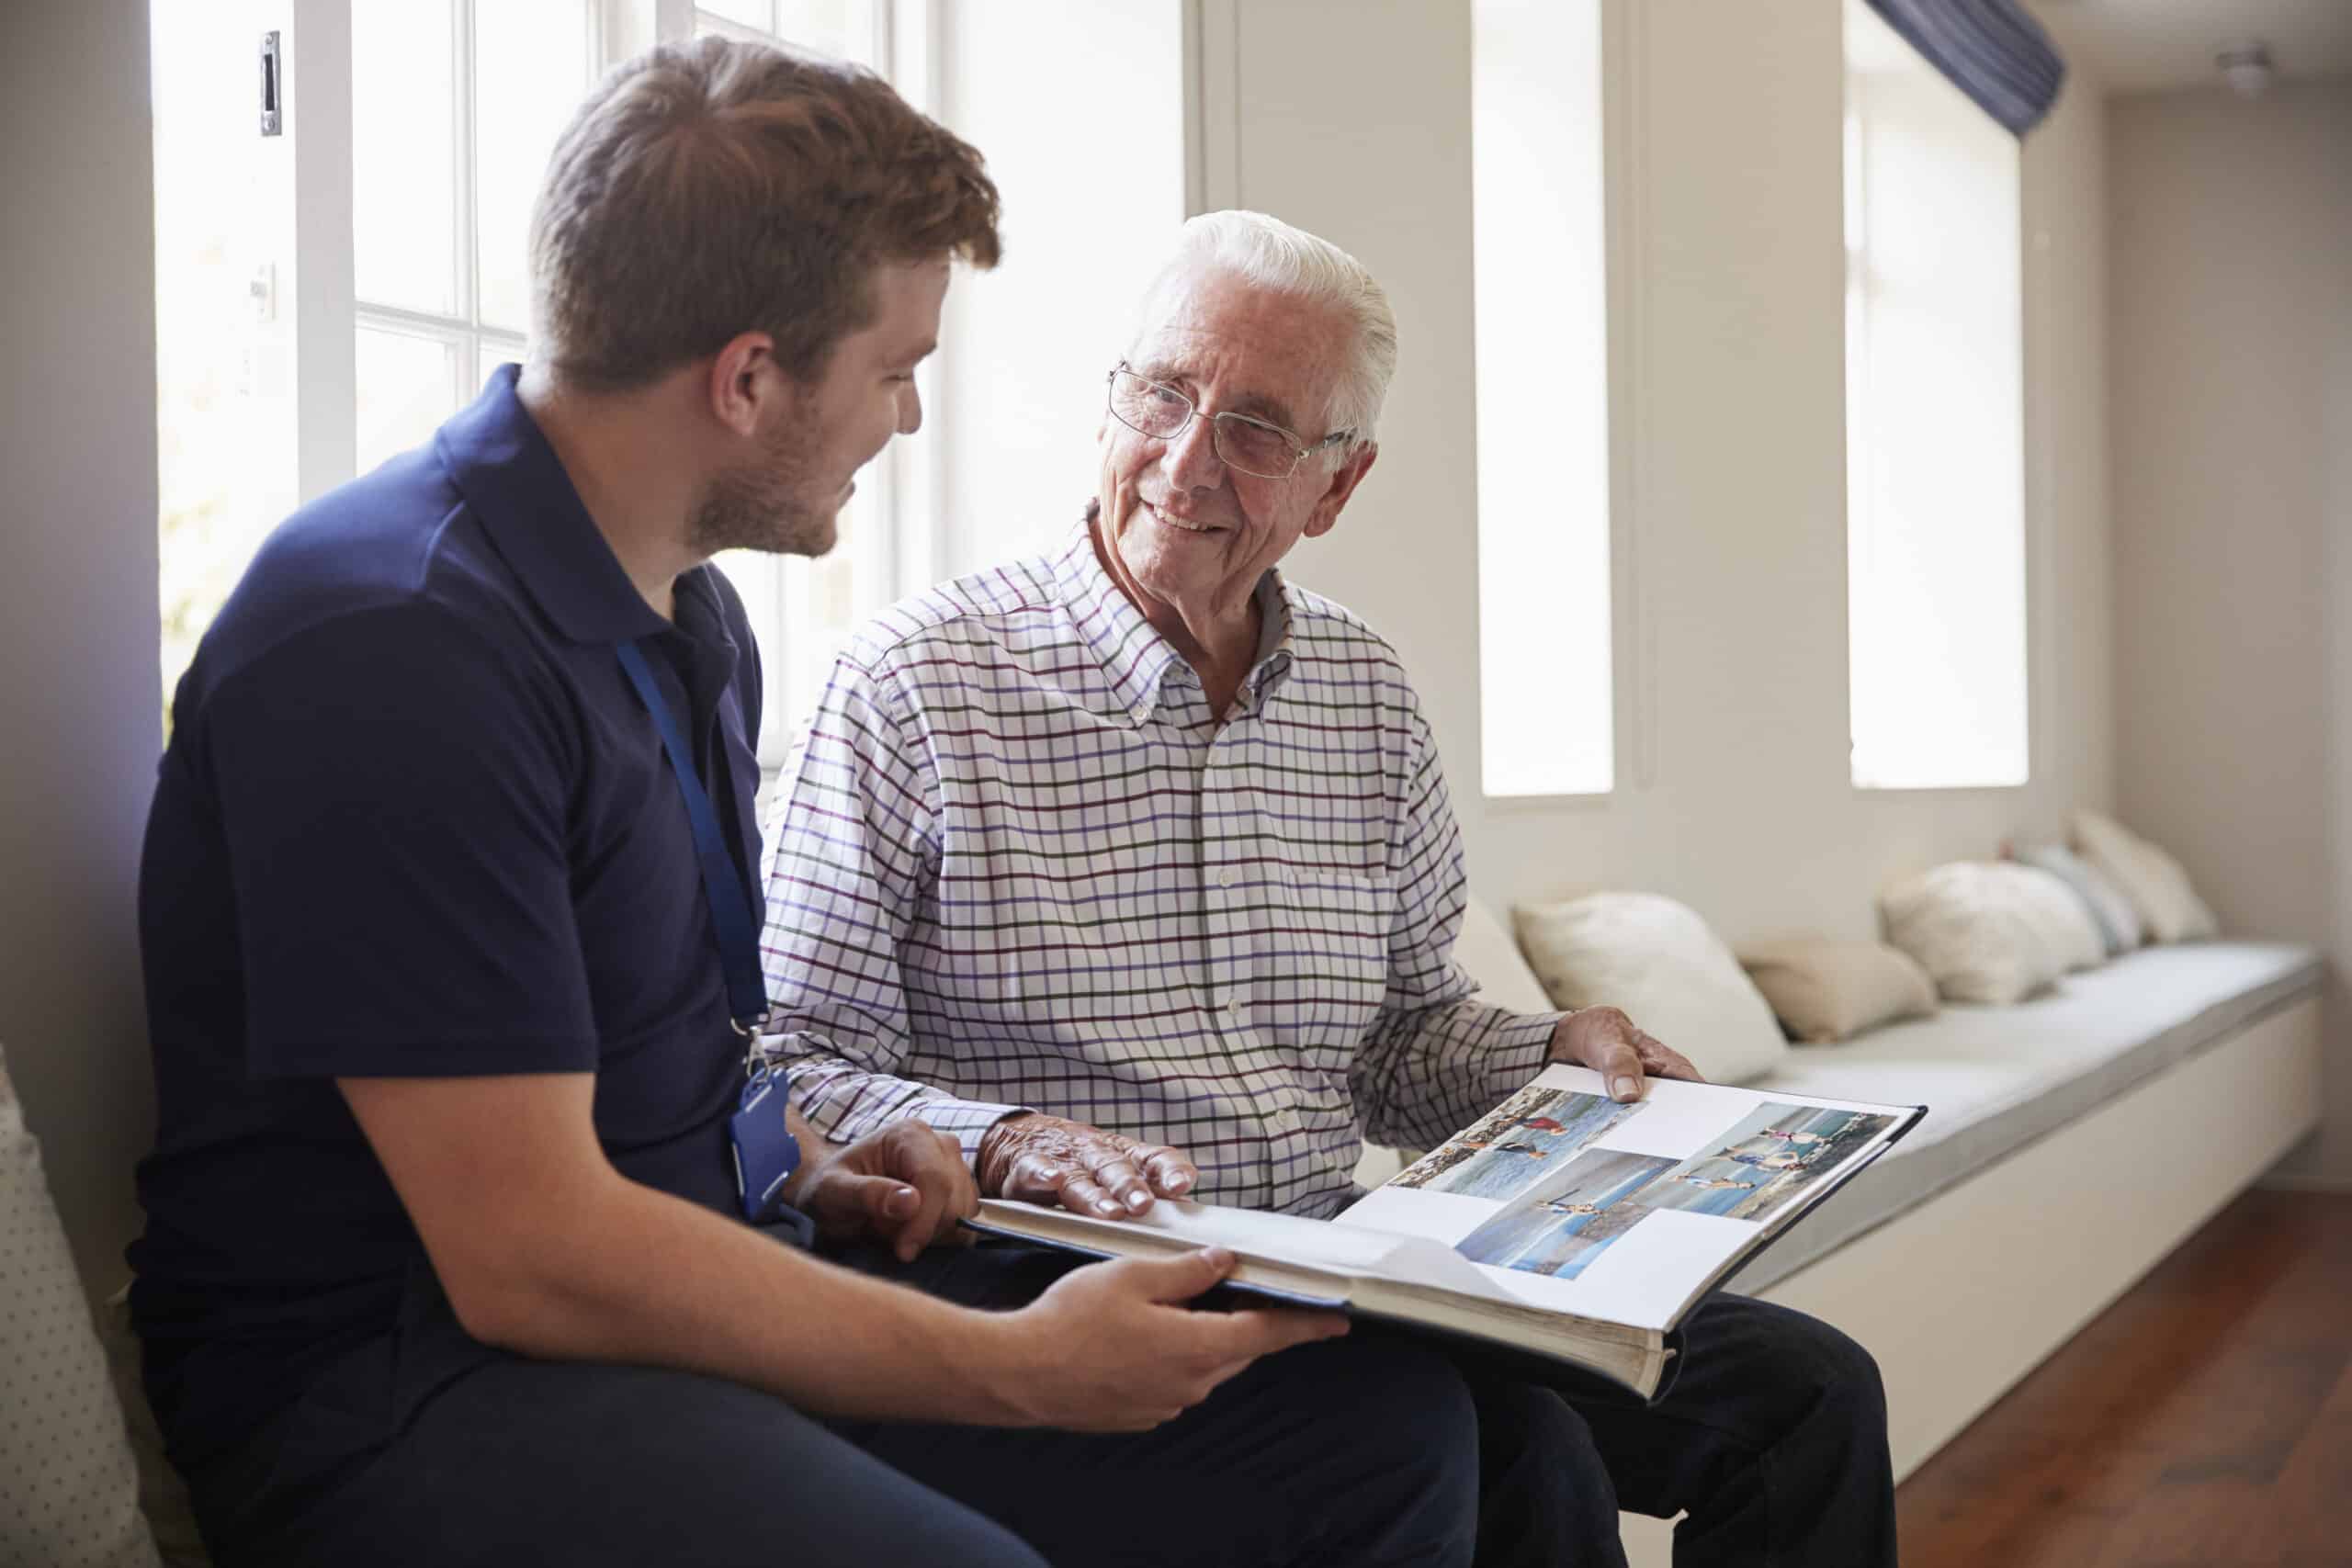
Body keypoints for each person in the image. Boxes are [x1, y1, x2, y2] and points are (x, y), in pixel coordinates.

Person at [129, 43, 1484, 1568]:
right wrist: (1019, 1373)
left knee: (1374, 1443)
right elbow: (528, 1260)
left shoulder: (687, 623)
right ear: (752, 377)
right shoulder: (392, 639)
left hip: (681, 1280)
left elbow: (695, 1054)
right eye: (897, 369)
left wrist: (809, 1165)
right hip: (403, 1379)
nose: (908, 420)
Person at [757, 209, 1899, 1566]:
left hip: (1350, 1258)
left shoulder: (1365, 697)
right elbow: (795, 1064)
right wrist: (1009, 1137)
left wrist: (1556, 1050)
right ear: (1111, 399)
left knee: (1808, 1397)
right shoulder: (913, 684)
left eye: (1255, 428)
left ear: (1336, 489)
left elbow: (1404, 1042)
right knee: (1517, 1444)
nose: (1187, 461)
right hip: (1063, 1278)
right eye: (1164, 395)